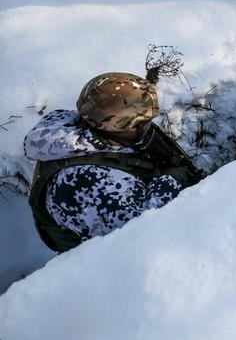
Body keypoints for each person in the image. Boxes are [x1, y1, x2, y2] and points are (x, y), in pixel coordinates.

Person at [23, 72, 202, 253]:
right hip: (107, 261)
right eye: (140, 123)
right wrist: (174, 178)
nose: (146, 126)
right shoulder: (87, 181)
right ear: (115, 124)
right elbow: (138, 231)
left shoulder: (92, 126)